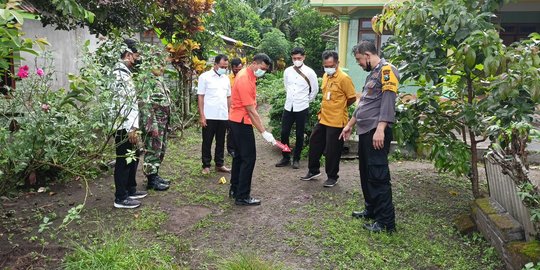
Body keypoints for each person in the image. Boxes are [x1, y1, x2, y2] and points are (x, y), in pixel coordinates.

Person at [340, 40, 398, 233]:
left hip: (376, 131)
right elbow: (364, 103)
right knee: (366, 172)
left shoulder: (387, 70)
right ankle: (371, 209)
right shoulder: (372, 74)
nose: (358, 63)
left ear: (367, 55)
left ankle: (386, 223)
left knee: (378, 175)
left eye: (358, 60)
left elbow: (388, 101)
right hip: (365, 131)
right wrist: (349, 124)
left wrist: (381, 128)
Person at [301, 51, 357, 187]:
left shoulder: (344, 78)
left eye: (331, 65)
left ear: (337, 63)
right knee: (314, 142)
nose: (328, 67)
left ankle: (332, 177)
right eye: (326, 65)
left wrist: (340, 107)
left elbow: (352, 97)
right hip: (323, 117)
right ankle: (313, 170)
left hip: (337, 120)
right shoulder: (326, 75)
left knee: (332, 150)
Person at [229, 53, 276, 206]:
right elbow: (251, 110)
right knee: (248, 159)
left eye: (265, 70)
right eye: (262, 68)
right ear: (254, 63)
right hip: (241, 122)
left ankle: (235, 189)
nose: (263, 71)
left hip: (236, 120)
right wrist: (264, 132)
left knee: (239, 157)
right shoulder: (244, 79)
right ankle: (242, 196)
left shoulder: (249, 75)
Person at [111, 38, 147, 209]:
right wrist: (131, 127)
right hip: (123, 126)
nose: (137, 60)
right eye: (136, 56)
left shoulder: (125, 73)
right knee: (124, 160)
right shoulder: (119, 76)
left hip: (130, 125)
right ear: (128, 55)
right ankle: (121, 197)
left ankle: (130, 189)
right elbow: (124, 105)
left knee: (132, 158)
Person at [275, 47, 318, 169]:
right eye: (294, 58)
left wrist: (305, 100)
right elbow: (286, 86)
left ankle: (297, 159)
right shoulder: (287, 71)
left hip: (302, 107)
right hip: (288, 106)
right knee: (284, 132)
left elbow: (314, 90)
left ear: (304, 57)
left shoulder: (310, 72)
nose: (296, 60)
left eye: (299, 58)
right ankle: (286, 156)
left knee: (300, 134)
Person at [140, 56, 171, 191]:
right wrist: (151, 125)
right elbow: (145, 105)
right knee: (152, 150)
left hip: (163, 122)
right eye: (157, 65)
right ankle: (151, 181)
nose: (161, 68)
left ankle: (155, 174)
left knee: (160, 149)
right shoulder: (147, 81)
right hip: (154, 123)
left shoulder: (159, 80)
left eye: (162, 65)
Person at [197, 54, 232, 175]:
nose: (224, 68)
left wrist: (229, 113)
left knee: (221, 141)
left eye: (226, 66)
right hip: (209, 115)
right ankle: (206, 165)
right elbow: (200, 96)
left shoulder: (226, 79)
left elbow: (228, 97)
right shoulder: (205, 77)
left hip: (222, 115)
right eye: (222, 66)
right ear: (215, 64)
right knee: (207, 141)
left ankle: (220, 164)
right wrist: (202, 115)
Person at [227, 58, 243, 157]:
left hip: (242, 107)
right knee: (231, 129)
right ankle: (231, 149)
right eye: (236, 69)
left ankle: (239, 146)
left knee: (240, 129)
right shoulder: (228, 79)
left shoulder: (244, 77)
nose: (237, 71)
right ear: (232, 68)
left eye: (239, 69)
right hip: (231, 107)